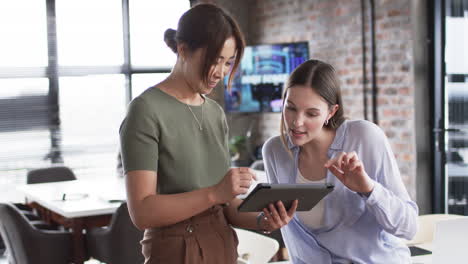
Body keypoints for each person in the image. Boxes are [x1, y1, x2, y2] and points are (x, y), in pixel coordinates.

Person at [119, 4, 282, 264]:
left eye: (228, 63)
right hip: (175, 253)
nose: (220, 72)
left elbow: (226, 208)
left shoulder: (216, 113)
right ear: (183, 50)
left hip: (223, 249)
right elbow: (142, 212)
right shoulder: (145, 110)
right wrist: (215, 193)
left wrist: (265, 219)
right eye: (214, 60)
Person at [260, 59, 419, 263]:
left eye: (311, 113)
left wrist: (368, 189)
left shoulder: (364, 137)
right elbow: (283, 224)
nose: (297, 122)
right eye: (290, 108)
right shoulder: (274, 151)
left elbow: (409, 228)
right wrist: (270, 221)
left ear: (331, 112)